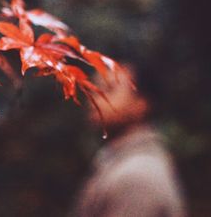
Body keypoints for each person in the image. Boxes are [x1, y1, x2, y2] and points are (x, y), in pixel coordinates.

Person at [75, 66, 186, 217]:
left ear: (142, 103)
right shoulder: (120, 163)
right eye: (93, 89)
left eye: (108, 89)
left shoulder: (136, 176)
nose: (94, 97)